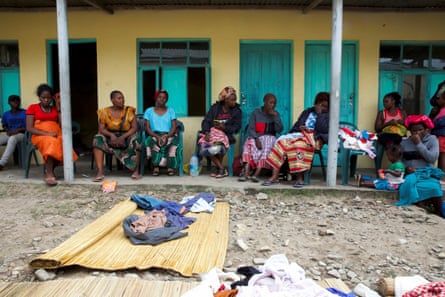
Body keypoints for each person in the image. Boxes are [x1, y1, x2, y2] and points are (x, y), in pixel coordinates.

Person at [262, 91, 330, 187]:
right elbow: (298, 125)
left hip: (314, 139)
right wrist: (301, 128)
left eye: (324, 106)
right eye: (319, 104)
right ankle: (274, 176)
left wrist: (320, 115)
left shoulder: (329, 115)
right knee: (281, 143)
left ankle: (299, 178)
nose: (320, 107)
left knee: (298, 145)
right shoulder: (308, 112)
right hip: (299, 135)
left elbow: (324, 129)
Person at [26, 83, 78, 186]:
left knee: (64, 143)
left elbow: (62, 123)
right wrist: (47, 133)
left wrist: (58, 104)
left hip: (55, 133)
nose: (46, 100)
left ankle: (50, 170)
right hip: (39, 136)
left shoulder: (54, 109)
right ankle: (49, 174)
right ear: (39, 97)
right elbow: (29, 128)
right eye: (43, 97)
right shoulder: (33, 108)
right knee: (51, 142)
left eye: (48, 98)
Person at [397, 114, 443, 217]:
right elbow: (399, 160)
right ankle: (424, 211)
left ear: (426, 129)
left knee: (434, 187)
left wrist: (419, 144)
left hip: (426, 173)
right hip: (411, 174)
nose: (417, 133)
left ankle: (438, 213)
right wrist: (406, 168)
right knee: (410, 186)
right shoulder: (404, 142)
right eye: (414, 130)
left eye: (420, 130)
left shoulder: (432, 140)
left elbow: (432, 158)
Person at [92, 90, 141, 181]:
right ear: (112, 100)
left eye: (123, 98)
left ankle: (135, 171)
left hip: (126, 136)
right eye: (119, 98)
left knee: (136, 139)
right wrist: (111, 135)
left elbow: (134, 128)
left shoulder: (129, 110)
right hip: (110, 137)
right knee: (97, 139)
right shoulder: (104, 112)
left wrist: (122, 137)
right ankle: (99, 172)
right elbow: (102, 129)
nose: (122, 100)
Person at [198, 86, 242, 178]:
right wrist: (206, 132)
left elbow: (237, 127)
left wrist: (224, 127)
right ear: (225, 100)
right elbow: (206, 121)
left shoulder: (237, 111)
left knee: (218, 147)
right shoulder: (215, 108)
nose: (234, 102)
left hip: (225, 135)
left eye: (235, 100)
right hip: (211, 133)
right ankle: (221, 168)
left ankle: (220, 169)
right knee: (204, 147)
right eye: (232, 100)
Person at [238, 93, 283, 182]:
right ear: (264, 102)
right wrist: (256, 138)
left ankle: (256, 174)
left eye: (274, 103)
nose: (272, 105)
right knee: (248, 143)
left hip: (270, 137)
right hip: (257, 137)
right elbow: (251, 128)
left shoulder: (275, 114)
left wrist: (276, 117)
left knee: (267, 145)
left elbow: (279, 130)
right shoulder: (255, 113)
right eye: (270, 103)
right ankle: (246, 173)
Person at [143, 89, 179, 176]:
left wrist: (166, 136)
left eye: (164, 98)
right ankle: (156, 167)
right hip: (154, 134)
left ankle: (170, 167)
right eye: (159, 97)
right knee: (150, 141)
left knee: (173, 142)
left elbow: (173, 126)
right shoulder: (149, 111)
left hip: (168, 134)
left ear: (166, 99)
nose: (162, 99)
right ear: (156, 98)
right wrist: (157, 136)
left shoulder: (171, 111)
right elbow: (147, 128)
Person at [0, 95, 26, 170]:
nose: (15, 102)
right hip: (10, 133)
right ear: (9, 103)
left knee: (12, 138)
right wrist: (7, 130)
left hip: (22, 134)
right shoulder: (6, 114)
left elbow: (28, 127)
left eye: (17, 100)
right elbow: (4, 125)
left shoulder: (25, 113)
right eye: (13, 101)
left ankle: (2, 163)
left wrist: (17, 130)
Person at [429, 83, 445, 184]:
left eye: (439, 98)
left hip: (442, 137)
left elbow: (436, 123)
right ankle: (440, 175)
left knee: (442, 156)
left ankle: (442, 177)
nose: (437, 100)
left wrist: (431, 124)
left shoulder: (443, 111)